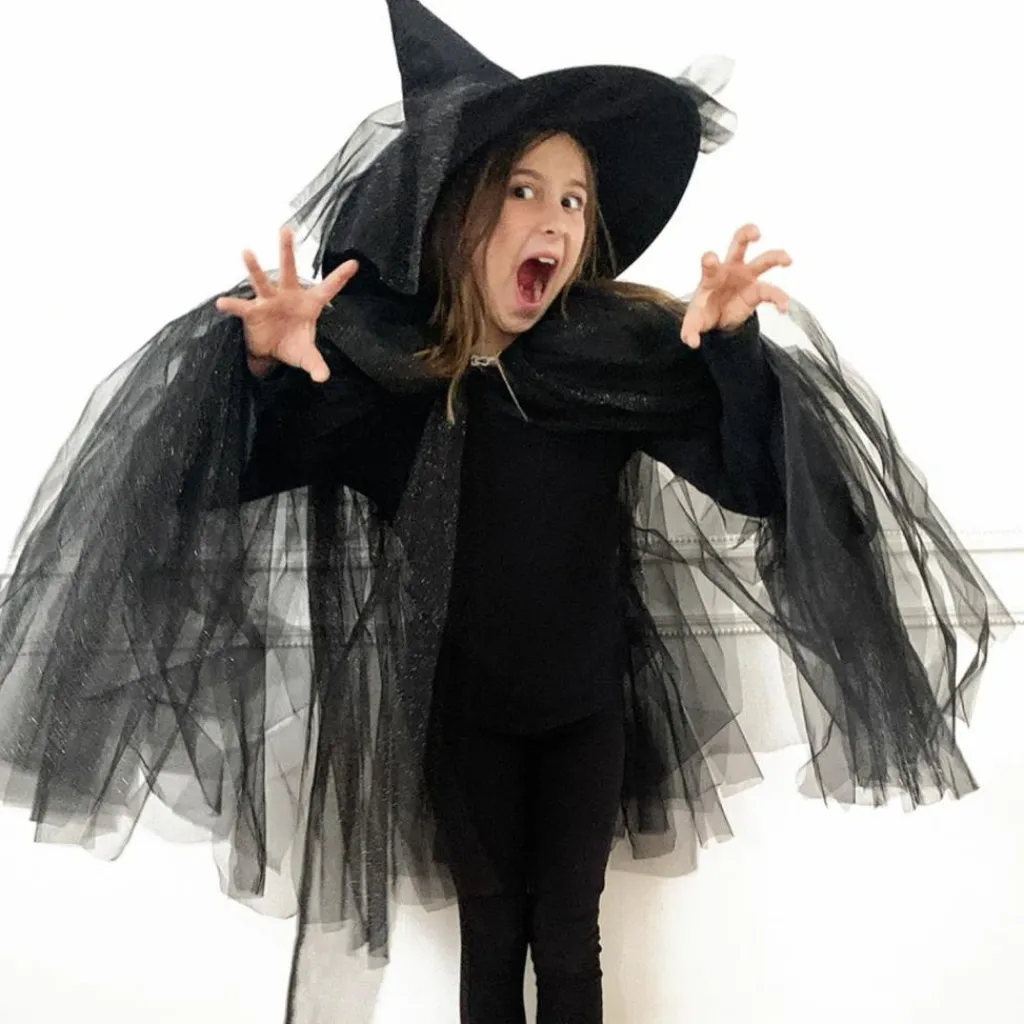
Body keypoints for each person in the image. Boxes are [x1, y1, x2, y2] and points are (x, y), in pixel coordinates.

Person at [0, 2, 1011, 1023]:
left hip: (587, 709)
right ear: (454, 214)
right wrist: (258, 369)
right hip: (459, 716)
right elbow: (211, 479)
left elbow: (758, 481)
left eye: (574, 199)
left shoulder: (609, 364)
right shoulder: (386, 390)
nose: (556, 219)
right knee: (491, 939)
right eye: (523, 189)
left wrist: (732, 353)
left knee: (568, 937)